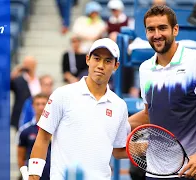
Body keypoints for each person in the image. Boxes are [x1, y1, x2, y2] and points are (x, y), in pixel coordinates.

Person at [128, 5, 196, 179]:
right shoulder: (145, 68)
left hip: (195, 169)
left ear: (175, 29)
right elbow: (150, 115)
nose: (156, 34)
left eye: (162, 28)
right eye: (151, 29)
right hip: (156, 173)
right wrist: (120, 124)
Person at [25, 38, 130, 180]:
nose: (100, 65)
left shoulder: (119, 106)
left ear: (116, 66)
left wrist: (144, 149)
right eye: (97, 58)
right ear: (88, 59)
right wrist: (33, 176)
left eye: (107, 61)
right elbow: (43, 138)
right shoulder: (62, 95)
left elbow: (118, 150)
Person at [17, 94, 51, 180]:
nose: (41, 107)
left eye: (43, 104)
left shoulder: (56, 130)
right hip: (34, 175)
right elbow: (20, 156)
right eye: (38, 104)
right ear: (33, 106)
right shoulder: (25, 131)